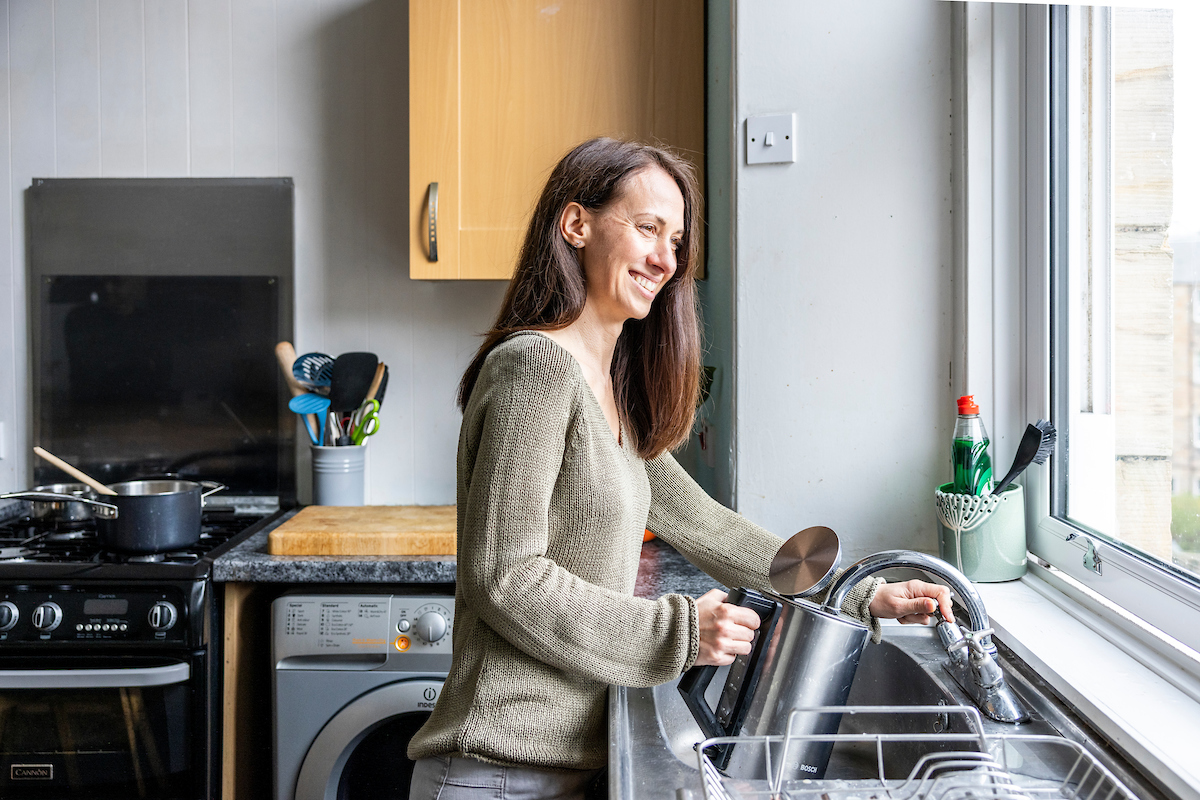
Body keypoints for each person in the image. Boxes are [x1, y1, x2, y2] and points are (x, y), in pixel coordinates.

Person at [407, 138, 954, 800]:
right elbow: (506, 576)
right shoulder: (536, 367)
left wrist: (859, 593)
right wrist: (679, 630)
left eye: (675, 241)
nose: (666, 259)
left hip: (554, 767)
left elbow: (712, 530)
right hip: (498, 769)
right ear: (576, 225)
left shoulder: (609, 392)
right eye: (647, 229)